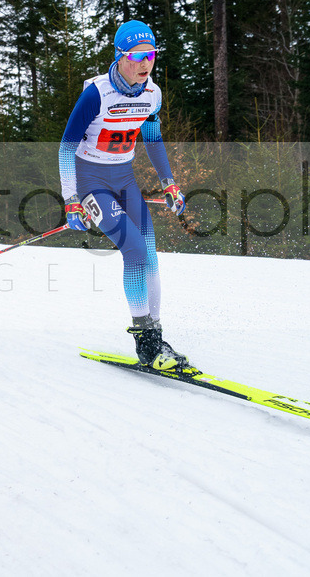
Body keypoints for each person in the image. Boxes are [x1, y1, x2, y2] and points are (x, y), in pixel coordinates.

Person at [58, 19, 189, 370]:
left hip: (125, 179)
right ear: (120, 56)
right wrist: (71, 199)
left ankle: (156, 337)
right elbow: (66, 146)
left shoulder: (152, 94)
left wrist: (169, 183)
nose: (145, 63)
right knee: (132, 250)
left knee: (150, 253)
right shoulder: (96, 94)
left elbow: (154, 139)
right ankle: (145, 342)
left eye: (151, 55)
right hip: (90, 181)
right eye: (137, 55)